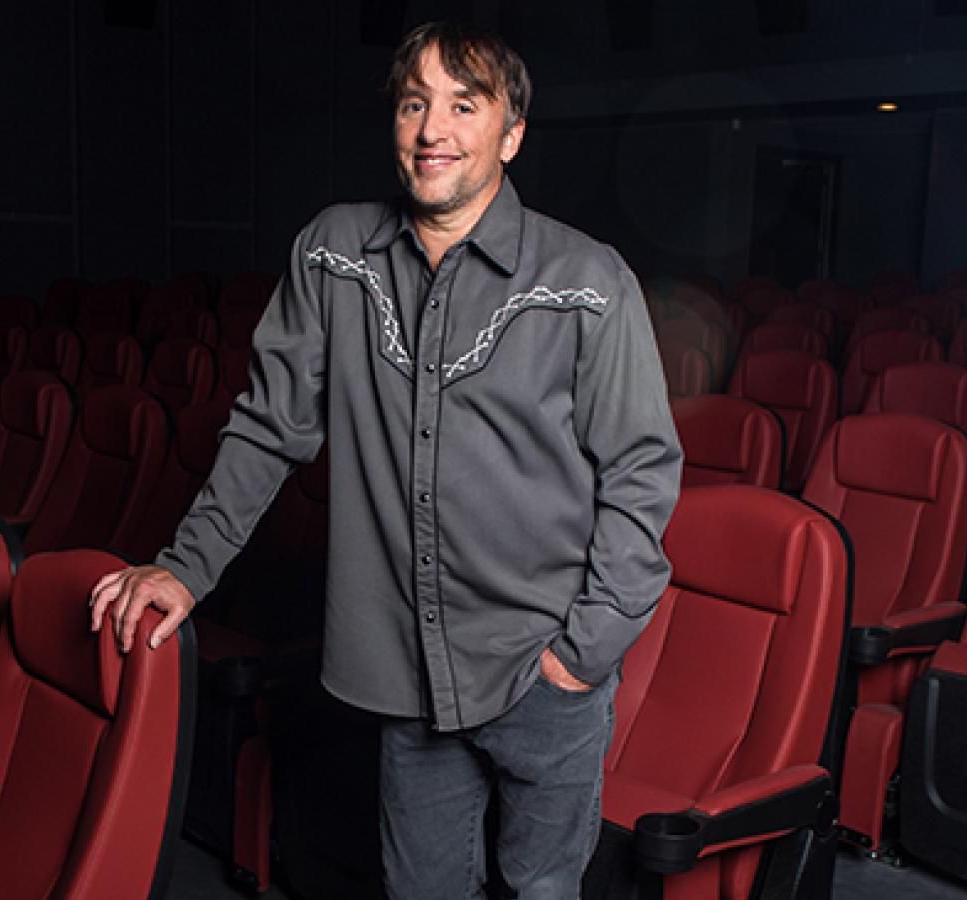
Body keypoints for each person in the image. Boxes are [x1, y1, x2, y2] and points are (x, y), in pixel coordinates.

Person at [89, 21, 682, 899]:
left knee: (544, 894)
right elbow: (265, 429)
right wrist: (185, 570)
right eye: (414, 103)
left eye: (463, 105)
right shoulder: (334, 255)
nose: (432, 128)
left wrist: (579, 657)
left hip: (541, 671)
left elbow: (642, 475)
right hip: (408, 671)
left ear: (510, 134)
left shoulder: (588, 280)